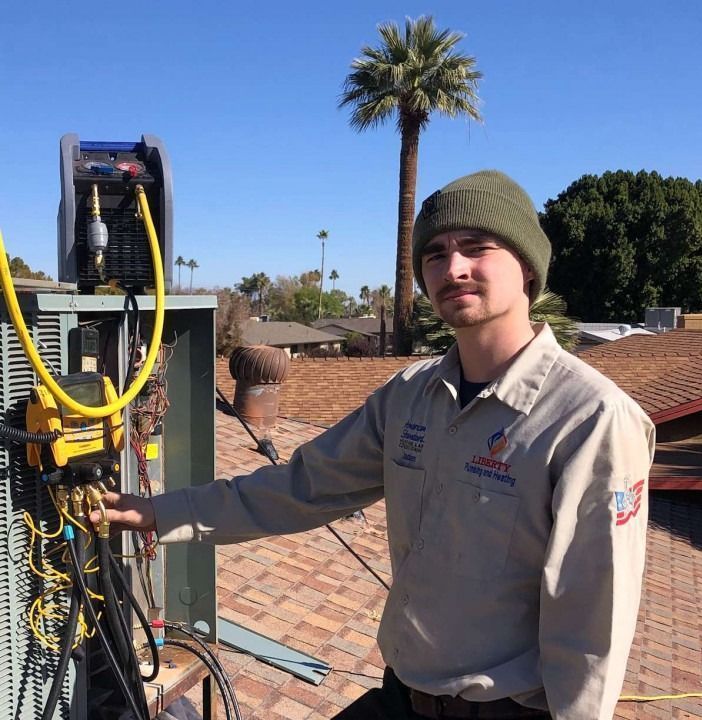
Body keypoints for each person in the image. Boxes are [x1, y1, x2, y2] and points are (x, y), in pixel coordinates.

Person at [96, 171, 655, 720]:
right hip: (402, 695)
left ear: (528, 267)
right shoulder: (410, 396)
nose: (453, 268)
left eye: (477, 248)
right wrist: (154, 512)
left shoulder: (591, 420)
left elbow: (592, 625)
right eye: (434, 254)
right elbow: (300, 489)